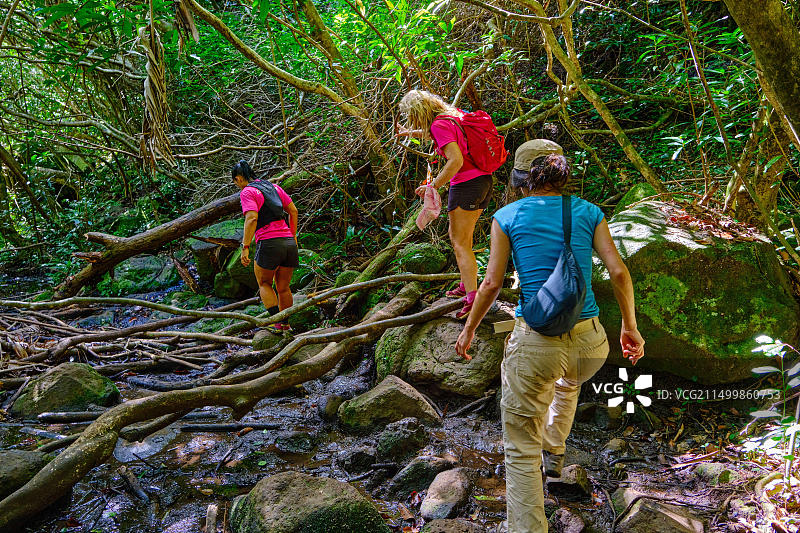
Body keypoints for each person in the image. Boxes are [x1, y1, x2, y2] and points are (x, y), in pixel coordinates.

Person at [454, 145, 645, 533]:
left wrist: (470, 326)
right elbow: (620, 273)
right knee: (568, 382)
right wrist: (630, 327)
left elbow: (490, 284)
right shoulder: (590, 212)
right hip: (591, 344)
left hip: (537, 342)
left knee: (520, 449)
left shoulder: (507, 216)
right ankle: (555, 455)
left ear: (521, 178)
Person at [397, 89, 495, 319]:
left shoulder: (439, 125)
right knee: (462, 238)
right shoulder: (453, 115)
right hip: (483, 181)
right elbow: (440, 134)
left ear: (418, 112)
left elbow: (456, 160)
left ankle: (472, 299)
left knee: (460, 243)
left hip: (466, 185)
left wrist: (434, 186)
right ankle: (466, 284)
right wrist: (409, 132)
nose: (412, 120)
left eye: (411, 117)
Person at [232, 160, 299, 332]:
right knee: (283, 287)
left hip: (269, 243)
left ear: (239, 179)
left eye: (235, 182)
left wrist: (245, 246)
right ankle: (286, 324)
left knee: (264, 283)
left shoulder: (248, 192)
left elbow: (252, 218)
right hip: (289, 243)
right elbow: (293, 211)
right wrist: (293, 235)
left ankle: (277, 324)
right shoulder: (274, 187)